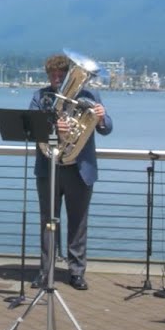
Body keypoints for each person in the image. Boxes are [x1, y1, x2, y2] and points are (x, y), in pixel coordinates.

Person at [30, 53, 113, 291]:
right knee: (48, 222)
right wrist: (53, 127)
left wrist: (99, 119)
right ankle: (46, 271)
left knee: (78, 224)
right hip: (49, 168)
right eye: (53, 75)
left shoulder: (90, 96)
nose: (57, 79)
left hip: (79, 169)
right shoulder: (41, 97)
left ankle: (77, 272)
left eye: (61, 75)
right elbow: (31, 127)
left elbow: (108, 128)